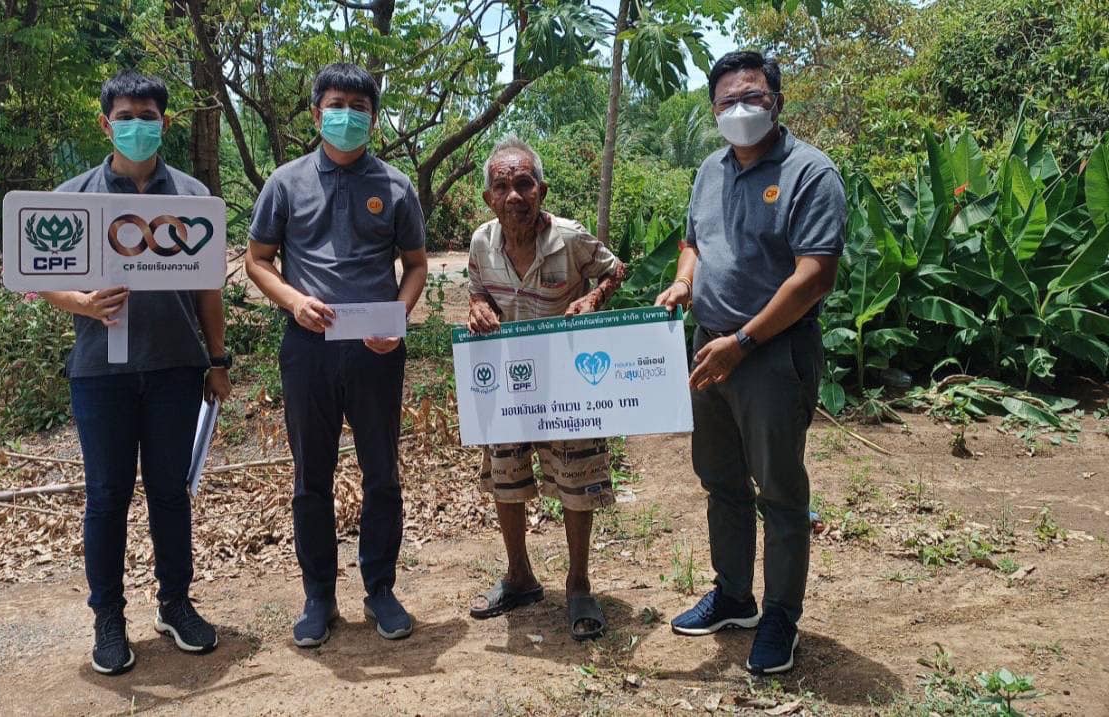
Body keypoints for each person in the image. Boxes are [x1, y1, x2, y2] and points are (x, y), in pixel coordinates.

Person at [653, 51, 844, 675]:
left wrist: (744, 342)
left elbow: (814, 276)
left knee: (780, 491)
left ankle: (782, 616)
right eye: (727, 101)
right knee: (720, 479)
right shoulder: (710, 170)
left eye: (753, 97)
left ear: (777, 101)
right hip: (709, 348)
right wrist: (684, 282)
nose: (740, 109)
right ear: (713, 109)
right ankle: (735, 595)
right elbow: (694, 241)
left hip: (770, 354)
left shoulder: (810, 173)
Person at [41, 69, 232, 676]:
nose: (137, 127)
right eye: (125, 118)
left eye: (148, 118)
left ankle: (175, 604)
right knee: (107, 495)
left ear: (165, 123)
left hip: (176, 369)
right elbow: (41, 277)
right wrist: (82, 302)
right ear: (106, 124)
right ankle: (108, 617)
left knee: (170, 492)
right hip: (100, 374)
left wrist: (218, 360)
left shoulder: (194, 199)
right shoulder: (72, 198)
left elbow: (208, 291)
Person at [245, 62, 429, 647]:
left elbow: (416, 266)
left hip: (377, 350)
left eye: (359, 107)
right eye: (336, 105)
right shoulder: (285, 183)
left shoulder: (396, 187)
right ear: (315, 113)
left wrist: (397, 317)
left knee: (382, 474)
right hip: (308, 350)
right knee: (311, 477)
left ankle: (380, 589)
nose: (347, 116)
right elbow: (257, 260)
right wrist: (294, 301)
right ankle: (318, 596)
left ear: (374, 118)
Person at [464, 136, 627, 641]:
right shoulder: (481, 243)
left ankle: (578, 585)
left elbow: (615, 269)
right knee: (506, 477)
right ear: (489, 197)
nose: (514, 195)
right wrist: (477, 307)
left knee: (576, 481)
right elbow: (476, 290)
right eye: (502, 187)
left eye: (523, 183)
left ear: (541, 190)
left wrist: (594, 298)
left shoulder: (571, 238)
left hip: (570, 384)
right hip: (508, 385)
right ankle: (520, 577)